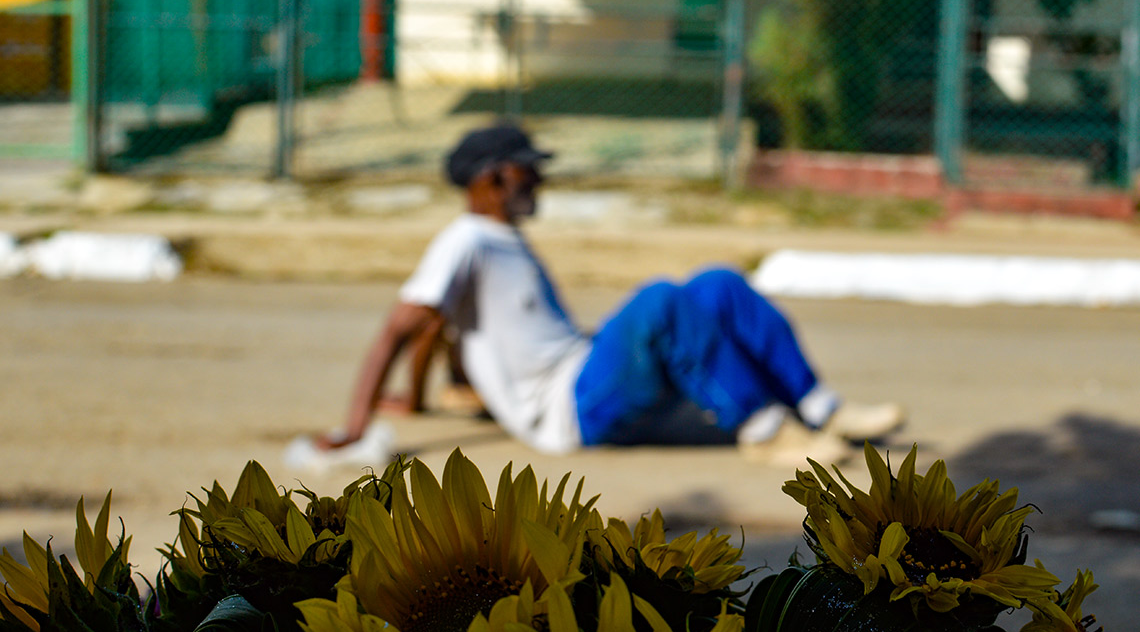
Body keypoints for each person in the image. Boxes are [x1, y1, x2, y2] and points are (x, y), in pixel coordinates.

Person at [318, 124, 903, 465]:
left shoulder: (498, 241)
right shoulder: (467, 239)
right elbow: (404, 325)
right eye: (528, 172)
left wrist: (418, 399)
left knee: (717, 285)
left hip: (587, 374)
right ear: (494, 178)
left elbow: (440, 330)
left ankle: (822, 406)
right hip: (570, 410)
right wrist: (355, 426)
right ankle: (767, 431)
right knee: (660, 303)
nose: (539, 182)